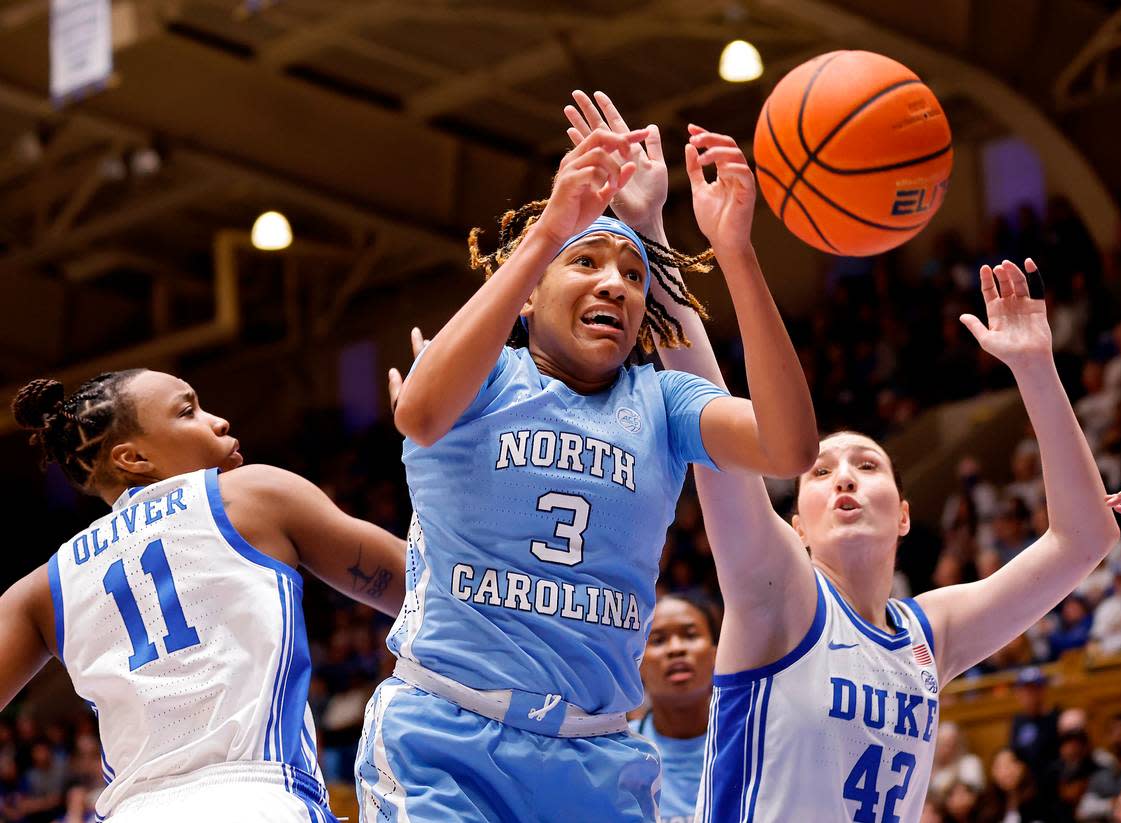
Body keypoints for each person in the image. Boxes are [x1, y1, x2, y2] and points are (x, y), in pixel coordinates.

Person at [559, 92, 1120, 823]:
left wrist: (1037, 369)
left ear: (907, 515)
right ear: (795, 524)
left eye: (868, 465)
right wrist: (655, 231)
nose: (846, 475)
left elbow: (1086, 538)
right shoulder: (779, 597)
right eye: (820, 471)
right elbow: (710, 417)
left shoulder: (931, 633)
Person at [356, 112, 817, 821]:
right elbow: (416, 412)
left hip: (598, 757)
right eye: (586, 261)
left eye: (634, 275)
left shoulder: (661, 401)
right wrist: (549, 228)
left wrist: (736, 253)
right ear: (530, 290)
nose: (616, 285)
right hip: (450, 736)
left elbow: (788, 447)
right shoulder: (487, 375)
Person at [0, 370, 408, 822]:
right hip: (256, 800)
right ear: (133, 457)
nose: (219, 422)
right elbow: (430, 591)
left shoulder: (41, 587)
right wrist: (440, 442)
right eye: (188, 411)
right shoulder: (253, 494)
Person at [634, 593, 719, 823]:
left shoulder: (751, 742)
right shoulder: (617, 748)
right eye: (659, 640)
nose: (676, 649)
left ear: (716, 655)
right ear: (637, 664)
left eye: (690, 635)